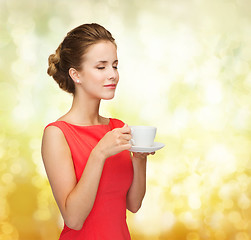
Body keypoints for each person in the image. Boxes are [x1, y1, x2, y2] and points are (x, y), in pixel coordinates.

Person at [41, 23, 155, 240]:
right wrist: (99, 153)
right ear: (76, 74)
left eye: (115, 65)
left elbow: (133, 204)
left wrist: (139, 159)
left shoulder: (117, 128)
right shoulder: (57, 134)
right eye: (101, 67)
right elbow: (73, 219)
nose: (112, 75)